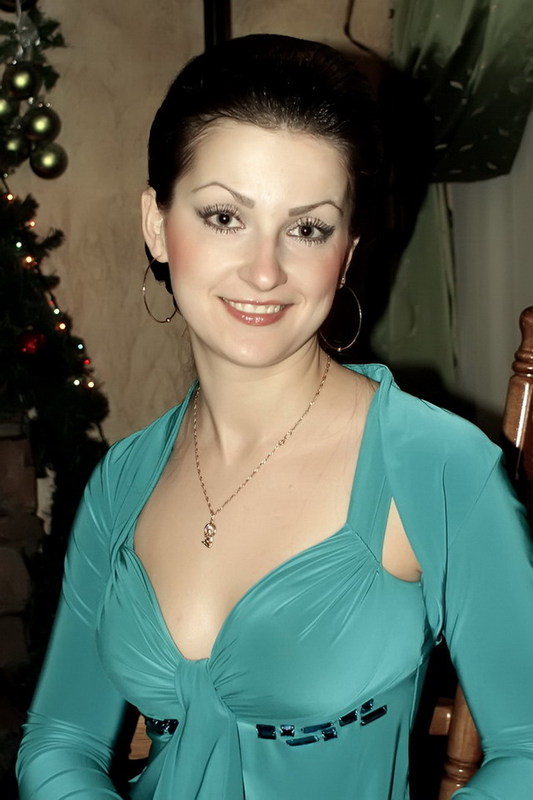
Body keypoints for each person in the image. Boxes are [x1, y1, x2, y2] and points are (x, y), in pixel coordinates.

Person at [16, 34, 533, 800]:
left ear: (346, 251)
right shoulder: (122, 480)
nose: (264, 271)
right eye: (224, 216)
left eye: (306, 228)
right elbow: (59, 740)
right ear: (157, 223)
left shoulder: (437, 466)